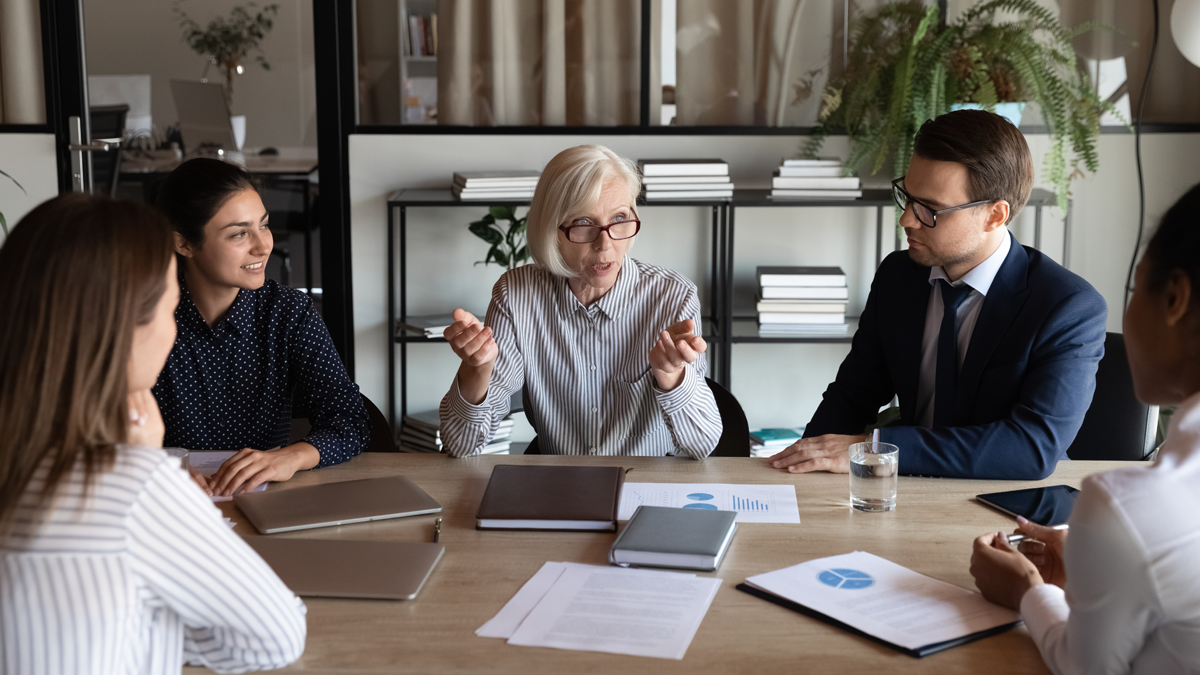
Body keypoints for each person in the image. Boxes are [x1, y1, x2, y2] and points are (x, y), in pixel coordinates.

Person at [0, 195, 306, 673]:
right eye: (167, 310)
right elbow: (275, 638)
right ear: (122, 332)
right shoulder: (131, 487)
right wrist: (144, 467)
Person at [769, 110, 1106, 479]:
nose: (907, 220)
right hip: (904, 490)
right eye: (908, 197)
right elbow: (852, 395)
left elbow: (1030, 448)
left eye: (930, 209)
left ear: (995, 215)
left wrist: (874, 447)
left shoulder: (1066, 306)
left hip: (1012, 505)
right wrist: (801, 469)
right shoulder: (898, 276)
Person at [969, 184, 1200, 674]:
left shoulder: (1124, 505)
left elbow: (1085, 668)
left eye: (1135, 290)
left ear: (1175, 298)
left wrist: (1027, 593)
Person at [438, 144, 722, 457]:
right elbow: (460, 445)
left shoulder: (673, 296)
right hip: (558, 489)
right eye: (584, 223)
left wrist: (672, 378)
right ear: (552, 228)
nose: (605, 244)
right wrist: (477, 369)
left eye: (619, 218)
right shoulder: (516, 294)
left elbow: (702, 445)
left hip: (649, 486)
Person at [152, 158, 369, 497]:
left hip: (266, 501)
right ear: (184, 244)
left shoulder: (288, 311)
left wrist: (291, 457)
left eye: (264, 225)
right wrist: (160, 470)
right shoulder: (143, 317)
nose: (263, 245)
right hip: (170, 502)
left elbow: (350, 420)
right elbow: (96, 431)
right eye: (239, 233)